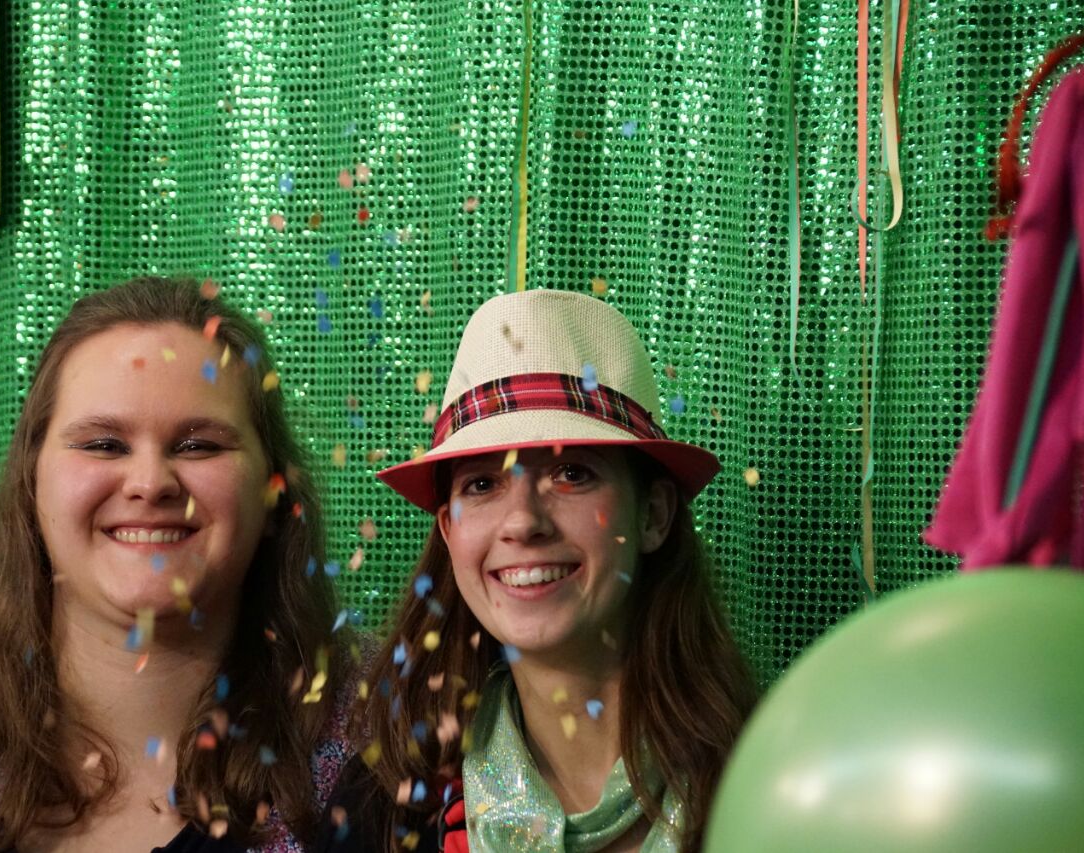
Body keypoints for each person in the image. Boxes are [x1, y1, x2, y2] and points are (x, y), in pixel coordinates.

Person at [0, 277, 357, 852]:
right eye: (103, 445)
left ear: (273, 490)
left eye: (198, 445)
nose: (150, 483)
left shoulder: (380, 734)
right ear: (32, 484)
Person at [318, 289, 758, 853]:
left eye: (572, 473)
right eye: (482, 484)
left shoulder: (772, 779)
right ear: (449, 532)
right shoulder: (381, 811)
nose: (523, 521)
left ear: (652, 515)